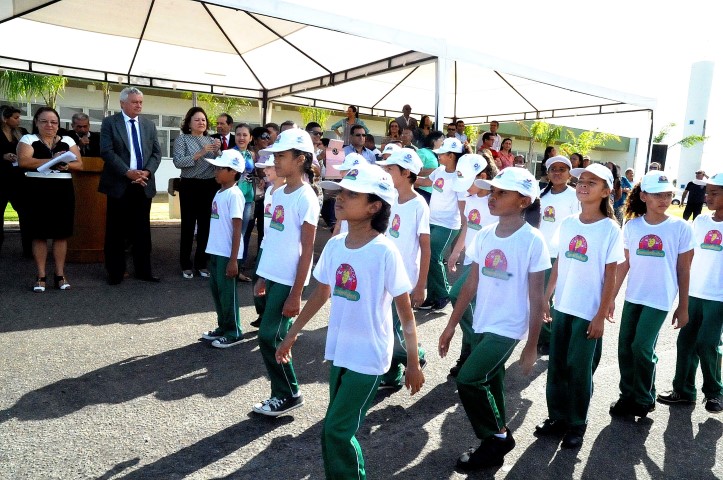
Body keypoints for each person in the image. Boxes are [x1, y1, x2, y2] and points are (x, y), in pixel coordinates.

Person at [275, 164, 424, 479]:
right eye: (340, 191)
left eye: (351, 193)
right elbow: (320, 294)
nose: (340, 198)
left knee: (336, 431)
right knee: (334, 430)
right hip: (340, 352)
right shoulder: (335, 245)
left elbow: (405, 311)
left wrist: (413, 361)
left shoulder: (385, 252)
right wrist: (292, 333)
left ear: (374, 206)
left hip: (369, 357)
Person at [438, 167, 549, 471]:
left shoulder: (532, 240)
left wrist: (532, 345)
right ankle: (499, 436)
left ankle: (496, 437)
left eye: (502, 192)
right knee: (492, 380)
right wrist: (450, 326)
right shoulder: (485, 234)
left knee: (469, 378)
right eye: (493, 191)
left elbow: (537, 297)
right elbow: (471, 283)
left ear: (523, 200)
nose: (492, 197)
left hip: (509, 327)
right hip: (482, 322)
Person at [536, 163, 623, 449]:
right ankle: (557, 417)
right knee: (557, 366)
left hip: (588, 311)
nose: (583, 186)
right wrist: (548, 297)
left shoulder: (610, 228)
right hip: (563, 305)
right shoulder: (569, 222)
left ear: (606, 191)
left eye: (592, 183)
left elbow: (610, 274)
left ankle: (576, 423)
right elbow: (560, 262)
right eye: (582, 181)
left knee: (579, 369)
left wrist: (600, 314)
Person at [610, 170, 694, 418]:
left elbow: (684, 268)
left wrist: (683, 305)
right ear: (644, 195)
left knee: (642, 347)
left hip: (660, 298)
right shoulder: (633, 225)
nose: (664, 200)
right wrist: (610, 299)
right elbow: (624, 264)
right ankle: (628, 396)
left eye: (668, 195)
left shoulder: (680, 227)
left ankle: (645, 398)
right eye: (657, 194)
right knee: (625, 348)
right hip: (634, 296)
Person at [252, 128, 319, 416]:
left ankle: (289, 392)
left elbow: (307, 251)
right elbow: (273, 238)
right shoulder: (278, 193)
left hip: (289, 281)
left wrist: (296, 294)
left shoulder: (307, 198)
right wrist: (262, 276)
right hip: (273, 275)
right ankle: (284, 391)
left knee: (270, 336)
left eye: (281, 155)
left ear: (300, 158)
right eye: (275, 155)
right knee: (268, 336)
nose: (275, 161)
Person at [657, 172, 723, 414]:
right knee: (685, 342)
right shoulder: (701, 222)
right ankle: (683, 391)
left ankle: (715, 393)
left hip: (719, 297)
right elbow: (687, 257)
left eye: (714, 193)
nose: (708, 197)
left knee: (707, 343)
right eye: (707, 192)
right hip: (694, 293)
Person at [376, 150, 430, 390]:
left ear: (407, 173)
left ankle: (415, 354)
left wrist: (421, 285)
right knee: (388, 324)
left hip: (406, 277)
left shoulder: (419, 205)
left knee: (396, 326)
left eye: (391, 169)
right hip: (385, 271)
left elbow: (426, 249)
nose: (387, 173)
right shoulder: (388, 198)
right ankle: (392, 374)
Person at [99, 87, 162, 285]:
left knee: (142, 232)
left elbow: (156, 154)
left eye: (141, 102)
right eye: (135, 102)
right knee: (116, 232)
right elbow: (107, 152)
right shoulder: (110, 123)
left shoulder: (149, 125)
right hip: (120, 184)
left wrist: (147, 172)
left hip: (143, 184)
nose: (139, 105)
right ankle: (115, 273)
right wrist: (127, 172)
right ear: (122, 103)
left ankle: (144, 271)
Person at [17, 106, 83, 291]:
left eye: (54, 122)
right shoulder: (28, 139)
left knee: (61, 234)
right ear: (36, 122)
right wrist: (52, 160)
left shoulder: (68, 140)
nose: (49, 125)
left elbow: (79, 164)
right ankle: (41, 275)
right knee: (38, 234)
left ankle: (60, 274)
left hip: (62, 190)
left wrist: (66, 166)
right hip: (36, 190)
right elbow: (24, 161)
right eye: (44, 121)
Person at [446, 153, 498, 377]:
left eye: (467, 183)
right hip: (470, 260)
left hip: (488, 267)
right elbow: (467, 227)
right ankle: (470, 351)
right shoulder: (471, 199)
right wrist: (456, 252)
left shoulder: (497, 202)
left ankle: (476, 349)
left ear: (483, 177)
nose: (463, 189)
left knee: (457, 297)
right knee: (470, 310)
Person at [199, 149, 245, 348]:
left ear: (233, 171)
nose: (216, 171)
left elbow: (237, 229)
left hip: (227, 254)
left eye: (220, 168)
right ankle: (223, 326)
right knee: (217, 292)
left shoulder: (234, 195)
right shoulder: (219, 192)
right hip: (216, 251)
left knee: (228, 294)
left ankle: (234, 331)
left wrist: (234, 259)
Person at [415, 137, 467, 310]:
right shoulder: (439, 170)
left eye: (442, 154)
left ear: (451, 156)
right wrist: (404, 175)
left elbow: (462, 208)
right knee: (426, 256)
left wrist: (463, 230)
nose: (438, 156)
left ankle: (444, 294)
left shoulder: (460, 177)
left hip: (449, 224)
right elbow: (423, 182)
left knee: (433, 256)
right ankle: (432, 296)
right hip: (432, 220)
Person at [172, 107, 221, 279]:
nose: (201, 122)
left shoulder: (211, 140)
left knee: (206, 226)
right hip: (190, 185)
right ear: (189, 123)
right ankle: (185, 264)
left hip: (209, 186)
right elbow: (178, 162)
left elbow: (220, 164)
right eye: (197, 119)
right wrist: (199, 153)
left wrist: (217, 152)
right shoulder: (182, 139)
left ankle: (201, 263)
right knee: (188, 225)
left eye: (203, 120)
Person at [537, 155, 580, 353]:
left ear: (570, 173)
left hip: (560, 253)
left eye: (562, 169)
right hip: (539, 252)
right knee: (540, 296)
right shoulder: (541, 194)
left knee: (549, 296)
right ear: (547, 173)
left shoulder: (575, 195)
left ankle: (550, 338)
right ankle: (546, 335)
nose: (557, 172)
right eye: (553, 169)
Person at [248, 154, 286, 329]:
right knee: (258, 277)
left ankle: (274, 319)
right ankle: (263, 314)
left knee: (271, 282)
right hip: (266, 243)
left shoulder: (286, 192)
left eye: (269, 167)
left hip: (278, 247)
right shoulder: (269, 191)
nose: (265, 170)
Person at [0, 105, 29, 256]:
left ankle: (28, 249)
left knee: (25, 213)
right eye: (15, 117)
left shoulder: (22, 133)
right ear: (5, 119)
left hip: (18, 179)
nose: (19, 120)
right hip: (1, 179)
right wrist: (3, 156)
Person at [232, 123, 256, 282]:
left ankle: (238, 269)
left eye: (244, 135)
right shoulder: (230, 153)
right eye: (238, 134)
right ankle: (228, 266)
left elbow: (252, 174)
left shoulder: (251, 154)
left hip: (248, 198)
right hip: (234, 198)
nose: (241, 137)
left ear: (250, 138)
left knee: (243, 234)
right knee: (232, 233)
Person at [416, 131, 443, 204]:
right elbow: (415, 171)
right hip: (423, 190)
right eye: (441, 140)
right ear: (434, 141)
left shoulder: (442, 154)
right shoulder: (422, 152)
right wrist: (434, 171)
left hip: (438, 192)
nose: (443, 143)